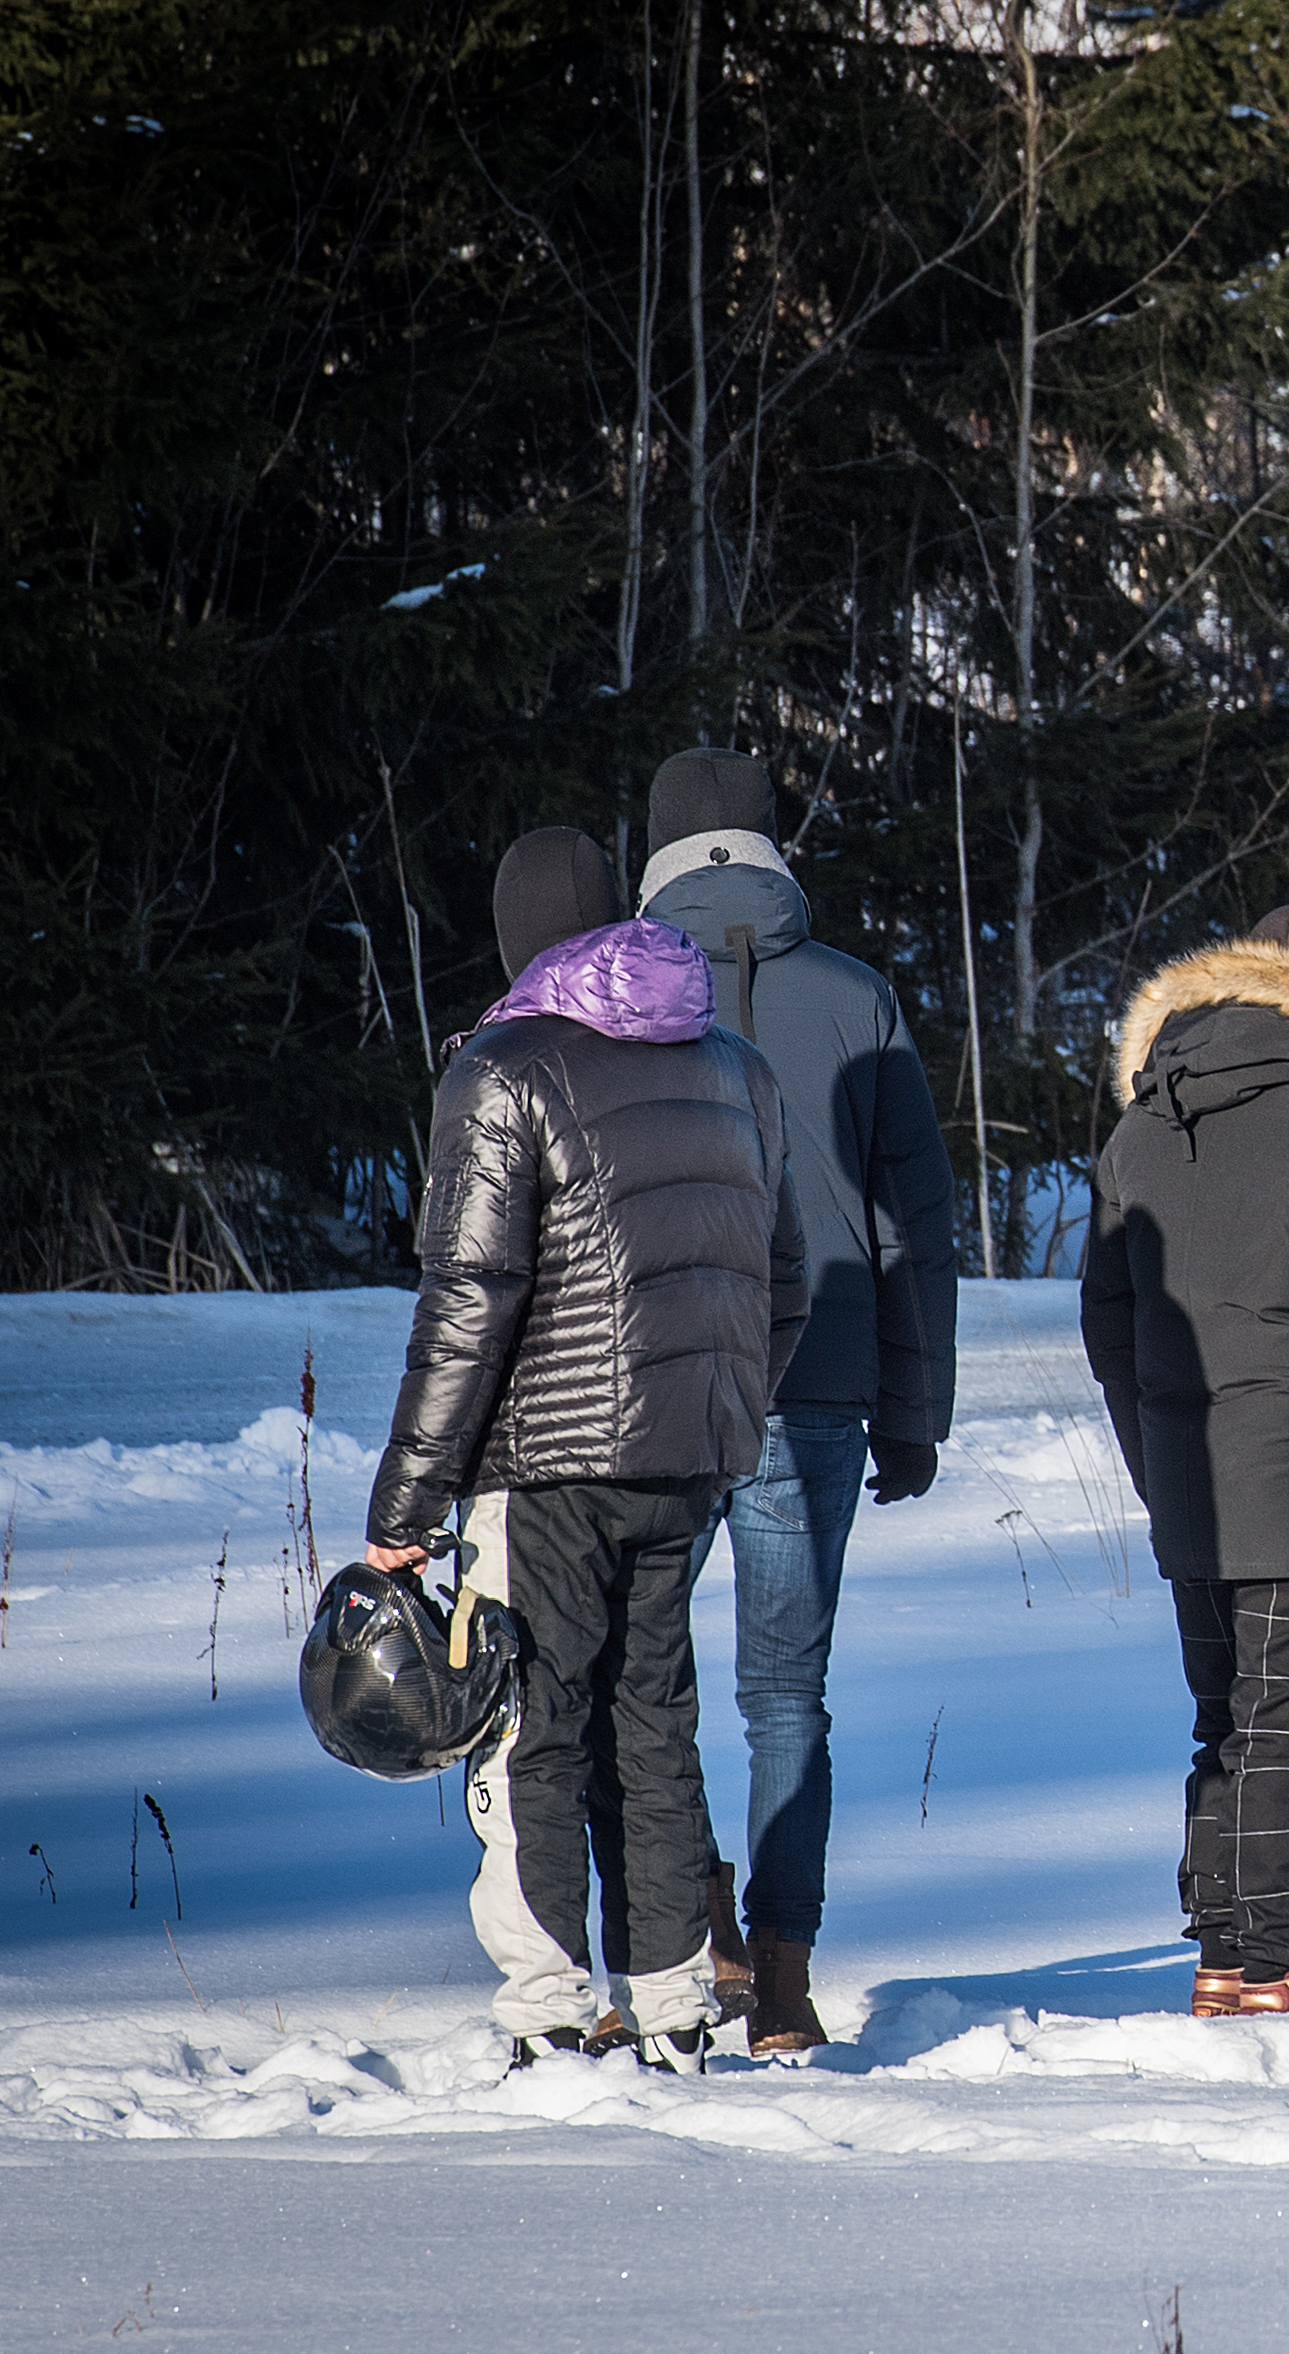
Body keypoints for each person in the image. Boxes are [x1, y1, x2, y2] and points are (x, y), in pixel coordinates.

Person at [365, 829, 806, 2073]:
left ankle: (553, 2007)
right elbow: (786, 1282)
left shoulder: (501, 1068)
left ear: (515, 939)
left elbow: (468, 1303)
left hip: (543, 1469)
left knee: (532, 1725)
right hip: (686, 1462)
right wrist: (725, 1415)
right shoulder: (733, 1064)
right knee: (654, 1722)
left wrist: (407, 1500)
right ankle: (673, 2006)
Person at [637, 747, 959, 2055]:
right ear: (773, 851)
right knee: (786, 1694)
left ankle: (690, 1919)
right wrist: (914, 1409)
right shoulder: (858, 996)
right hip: (816, 1382)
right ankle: (779, 1979)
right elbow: (915, 1227)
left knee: (641, 1681)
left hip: (655, 1387)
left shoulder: (609, 1004)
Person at [1081, 904, 1289, 2016]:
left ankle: (1224, 1951)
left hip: (1189, 1478)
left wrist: (1153, 1453)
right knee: (1286, 1725)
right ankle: (1268, 1964)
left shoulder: (1144, 1126)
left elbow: (1108, 1323)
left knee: (1226, 1719)